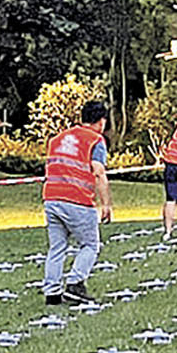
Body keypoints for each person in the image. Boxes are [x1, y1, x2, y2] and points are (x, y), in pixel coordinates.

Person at [43, 100, 114, 304]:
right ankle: (75, 283)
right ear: (101, 121)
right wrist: (106, 204)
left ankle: (52, 292)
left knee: (57, 247)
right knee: (90, 245)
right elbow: (98, 172)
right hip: (77, 199)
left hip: (52, 198)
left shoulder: (57, 139)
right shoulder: (95, 140)